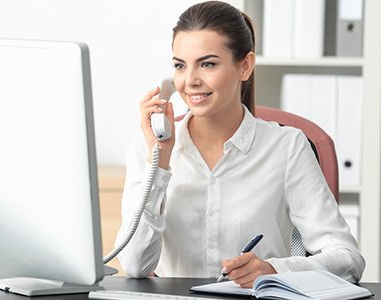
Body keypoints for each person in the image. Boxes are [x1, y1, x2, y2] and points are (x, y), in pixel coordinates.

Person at [115, 0, 365, 288]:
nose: (191, 81)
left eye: (207, 64)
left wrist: (275, 269)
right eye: (180, 66)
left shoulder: (287, 147)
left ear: (244, 66)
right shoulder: (148, 149)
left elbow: (348, 259)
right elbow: (135, 265)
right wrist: (160, 163)